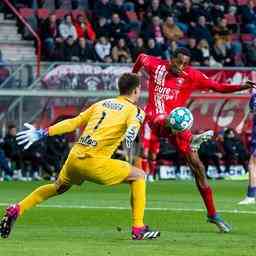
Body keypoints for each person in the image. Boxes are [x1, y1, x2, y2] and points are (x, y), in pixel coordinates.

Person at [0, 73, 160, 240]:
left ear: (119, 88)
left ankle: (17, 208)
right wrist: (131, 132)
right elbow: (133, 125)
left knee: (57, 187)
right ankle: (138, 228)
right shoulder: (135, 110)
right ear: (136, 90)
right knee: (139, 175)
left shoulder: (101, 104)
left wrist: (44, 132)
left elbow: (73, 122)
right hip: (94, 162)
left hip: (74, 157)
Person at [132, 47, 256, 233]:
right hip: (156, 117)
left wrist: (241, 87)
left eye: (185, 63)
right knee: (162, 118)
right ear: (171, 58)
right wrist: (133, 82)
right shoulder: (156, 66)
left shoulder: (192, 75)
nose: (181, 66)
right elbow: (141, 58)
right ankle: (189, 136)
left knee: (199, 168)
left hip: (178, 128)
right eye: (178, 62)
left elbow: (218, 87)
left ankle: (212, 214)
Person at [238, 91, 256, 204]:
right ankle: (251, 196)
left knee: (252, 164)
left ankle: (250, 196)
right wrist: (242, 123)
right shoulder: (254, 97)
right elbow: (250, 111)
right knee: (253, 164)